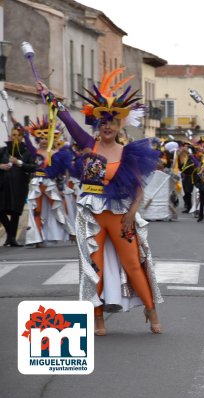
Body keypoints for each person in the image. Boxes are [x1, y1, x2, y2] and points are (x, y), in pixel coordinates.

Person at [36, 69, 163, 335]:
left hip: (120, 215)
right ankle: (97, 317)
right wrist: (49, 97)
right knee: (94, 268)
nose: (107, 126)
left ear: (120, 126)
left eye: (112, 122)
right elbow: (68, 120)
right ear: (97, 124)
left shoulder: (128, 152)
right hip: (89, 215)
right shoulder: (87, 144)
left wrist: (131, 214)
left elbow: (138, 189)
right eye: (103, 121)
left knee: (132, 263)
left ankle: (150, 309)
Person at [22, 118, 75, 247]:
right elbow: (28, 144)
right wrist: (25, 134)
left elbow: (62, 171)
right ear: (38, 140)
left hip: (49, 184)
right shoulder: (36, 152)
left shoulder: (57, 153)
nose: (43, 141)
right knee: (36, 210)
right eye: (41, 139)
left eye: (46, 138)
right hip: (36, 183)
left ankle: (71, 232)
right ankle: (38, 237)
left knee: (58, 207)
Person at [0, 121, 36, 246]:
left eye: (19, 135)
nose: (16, 137)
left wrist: (20, 163)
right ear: (10, 136)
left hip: (18, 186)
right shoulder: (3, 151)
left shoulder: (27, 152)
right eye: (14, 135)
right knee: (1, 211)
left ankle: (12, 238)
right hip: (3, 186)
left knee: (15, 212)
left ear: (22, 137)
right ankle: (10, 233)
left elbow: (33, 167)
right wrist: (1, 166)